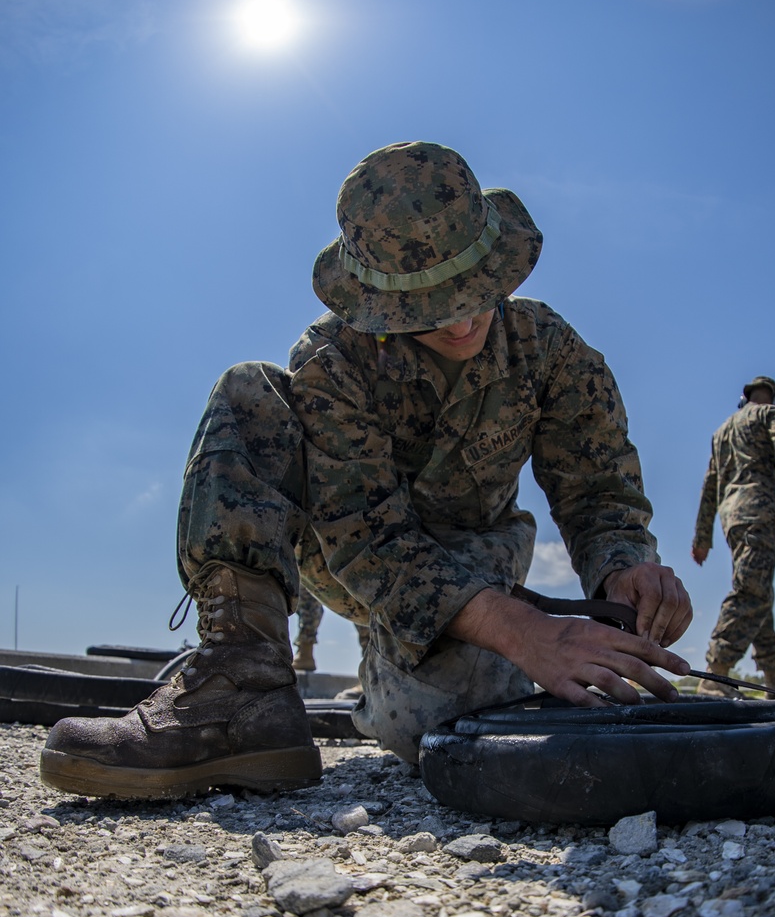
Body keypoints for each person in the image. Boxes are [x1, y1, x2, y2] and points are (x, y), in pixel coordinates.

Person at [40, 141, 692, 799]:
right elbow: (365, 538)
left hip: (479, 563)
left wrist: (623, 570)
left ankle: (393, 679)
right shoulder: (333, 363)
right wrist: (519, 631)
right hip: (356, 565)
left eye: (475, 289)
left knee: (441, 730)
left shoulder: (550, 351)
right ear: (378, 298)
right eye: (433, 303)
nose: (464, 319)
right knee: (251, 392)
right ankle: (239, 693)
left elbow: (598, 489)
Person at [691, 376, 775, 696]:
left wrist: (702, 537)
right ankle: (715, 675)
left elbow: (709, 487)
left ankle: (773, 679)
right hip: (759, 514)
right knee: (751, 593)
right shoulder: (770, 414)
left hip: (733, 521)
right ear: (774, 397)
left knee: (759, 591)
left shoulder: (722, 431)